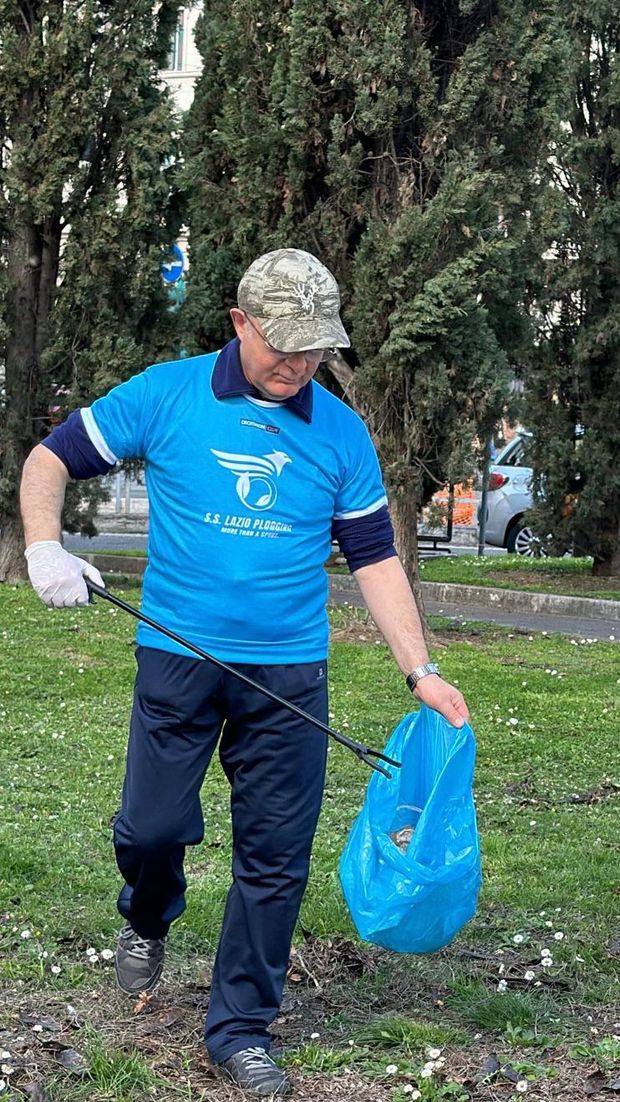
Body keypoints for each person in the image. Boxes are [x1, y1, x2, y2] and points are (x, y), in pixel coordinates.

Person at [20, 248, 470, 1098]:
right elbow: (51, 459)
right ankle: (148, 914)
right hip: (178, 659)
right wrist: (45, 542)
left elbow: (373, 557)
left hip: (291, 675)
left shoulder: (339, 430)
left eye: (315, 349)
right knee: (149, 831)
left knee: (275, 857)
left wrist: (421, 671)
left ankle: (240, 1027)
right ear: (240, 323)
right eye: (284, 346)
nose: (299, 365)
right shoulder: (168, 393)